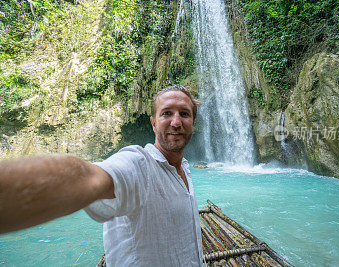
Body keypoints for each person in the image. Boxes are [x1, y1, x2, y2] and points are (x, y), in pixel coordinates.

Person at [0, 85, 203, 266]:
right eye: (166, 113)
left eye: (184, 114)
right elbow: (87, 177)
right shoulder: (139, 165)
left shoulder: (183, 167)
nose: (176, 122)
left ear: (193, 122)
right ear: (153, 123)